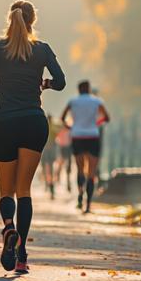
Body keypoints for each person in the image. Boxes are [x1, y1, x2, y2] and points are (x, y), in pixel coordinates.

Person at [0, 0, 66, 274]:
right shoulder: (42, 50)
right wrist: (43, 83)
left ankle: (8, 228)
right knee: (24, 191)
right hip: (34, 122)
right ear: (32, 21)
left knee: (6, 190)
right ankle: (22, 254)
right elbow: (60, 81)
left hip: (6, 123)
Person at [62, 80, 110, 214]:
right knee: (91, 172)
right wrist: (96, 123)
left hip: (77, 136)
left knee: (80, 169)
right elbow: (107, 117)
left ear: (78, 90)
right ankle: (88, 204)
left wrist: (71, 127)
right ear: (88, 89)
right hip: (93, 136)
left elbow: (62, 117)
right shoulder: (97, 101)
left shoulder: (73, 101)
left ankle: (80, 195)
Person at [41, 115, 59, 199]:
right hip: (50, 150)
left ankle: (48, 184)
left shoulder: (43, 127)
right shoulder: (53, 128)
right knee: (49, 168)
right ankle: (50, 185)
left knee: (45, 168)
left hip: (45, 150)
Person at [55, 123, 73, 194]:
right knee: (61, 164)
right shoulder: (62, 131)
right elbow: (57, 139)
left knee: (68, 167)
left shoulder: (69, 131)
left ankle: (68, 183)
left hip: (68, 149)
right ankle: (58, 176)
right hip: (63, 148)